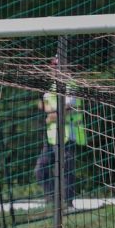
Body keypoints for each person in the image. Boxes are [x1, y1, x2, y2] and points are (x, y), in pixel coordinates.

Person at [34, 65, 86, 207]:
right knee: (40, 169)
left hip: (68, 135)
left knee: (65, 170)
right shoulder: (52, 87)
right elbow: (41, 103)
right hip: (51, 137)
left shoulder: (71, 86)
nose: (53, 70)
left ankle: (67, 204)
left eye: (57, 67)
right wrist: (51, 111)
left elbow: (68, 107)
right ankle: (53, 200)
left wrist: (53, 115)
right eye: (53, 68)